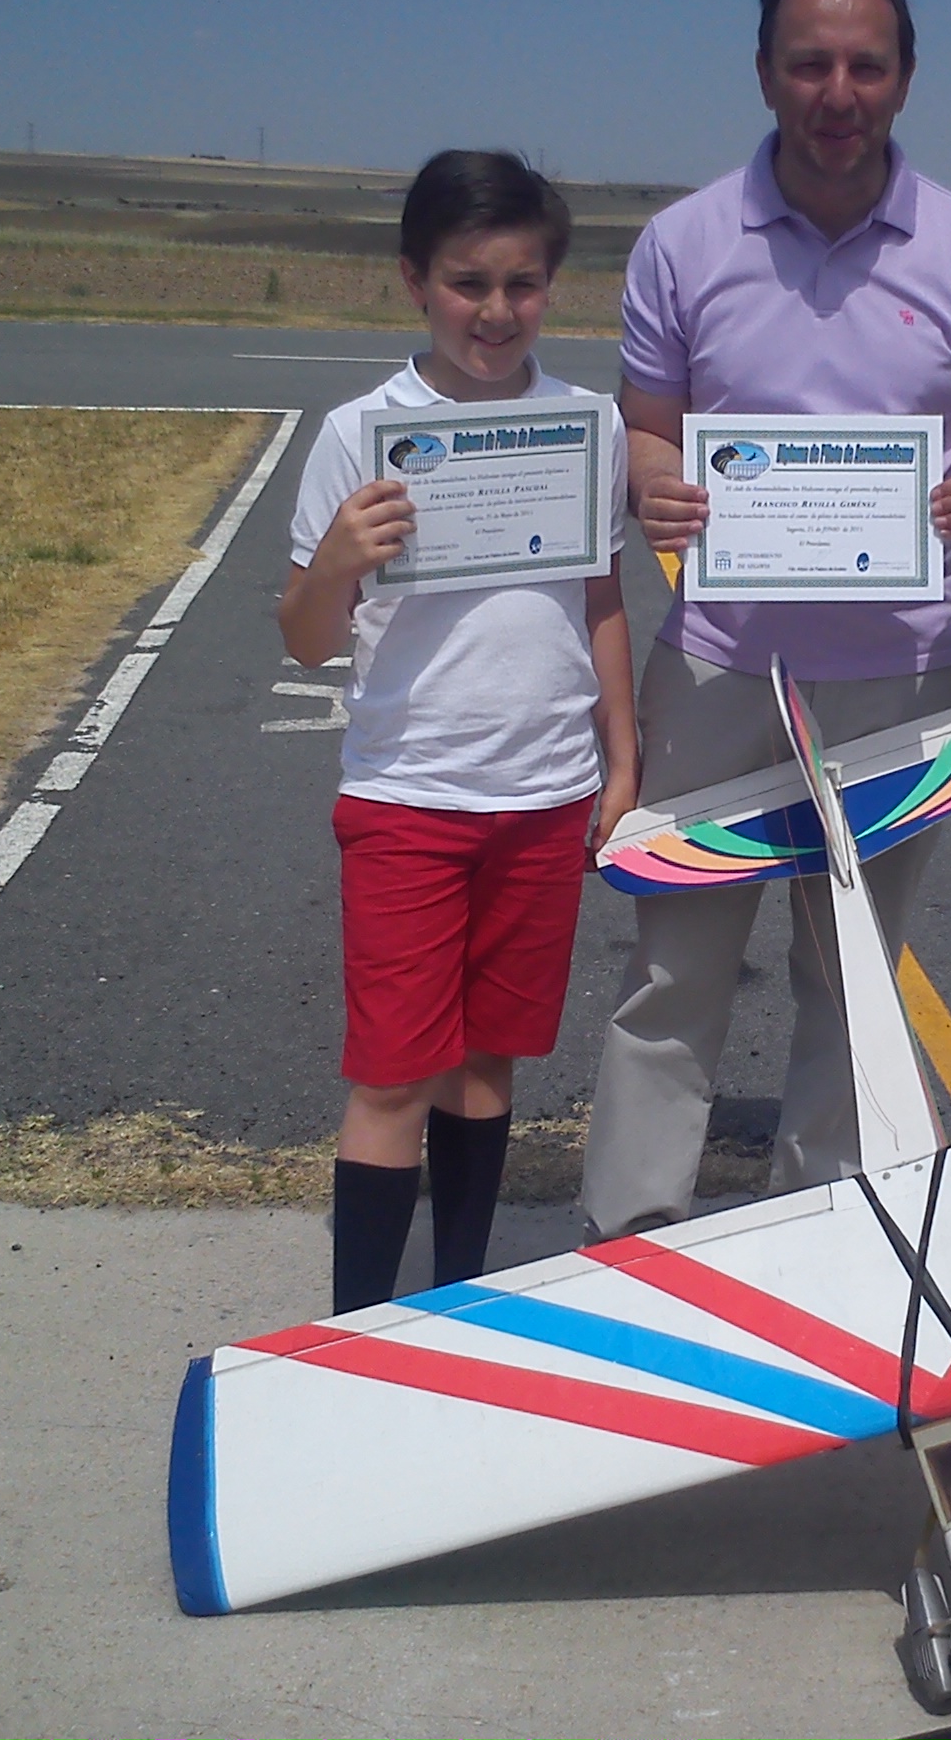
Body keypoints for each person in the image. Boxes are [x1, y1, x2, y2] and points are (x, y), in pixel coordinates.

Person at [580, 0, 951, 1239]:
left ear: (902, 78)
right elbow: (651, 427)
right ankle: (630, 1253)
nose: (836, 90)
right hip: (723, 672)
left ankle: (822, 1245)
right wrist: (657, 483)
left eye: (864, 64)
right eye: (810, 64)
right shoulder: (684, 243)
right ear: (764, 74)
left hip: (902, 683)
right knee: (674, 975)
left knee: (855, 981)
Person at [282, 149, 637, 1314]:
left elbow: (599, 599)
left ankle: (456, 1307)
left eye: (522, 284)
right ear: (413, 282)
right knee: (394, 1073)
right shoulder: (362, 433)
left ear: (553, 286)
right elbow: (303, 640)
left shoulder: (585, 424)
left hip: (541, 797)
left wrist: (620, 758)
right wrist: (335, 562)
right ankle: (358, 1331)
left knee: (489, 1064)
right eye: (467, 283)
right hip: (409, 796)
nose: (495, 311)